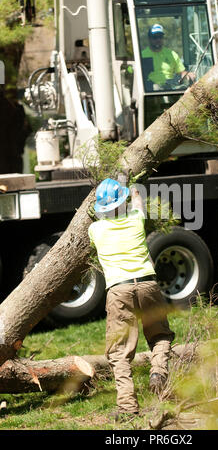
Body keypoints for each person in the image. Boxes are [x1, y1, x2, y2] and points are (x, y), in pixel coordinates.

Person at [88, 178, 175, 419]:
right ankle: (158, 371)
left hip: (118, 290)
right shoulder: (137, 220)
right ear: (123, 201)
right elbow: (137, 201)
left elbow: (97, 219)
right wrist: (132, 188)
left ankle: (127, 406)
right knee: (160, 335)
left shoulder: (95, 230)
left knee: (119, 351)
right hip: (148, 284)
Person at [142, 23, 195, 89]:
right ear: (149, 39)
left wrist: (187, 74)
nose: (158, 39)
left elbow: (181, 72)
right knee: (156, 87)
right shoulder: (142, 55)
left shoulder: (172, 54)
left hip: (169, 88)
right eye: (155, 37)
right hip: (150, 91)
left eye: (160, 37)